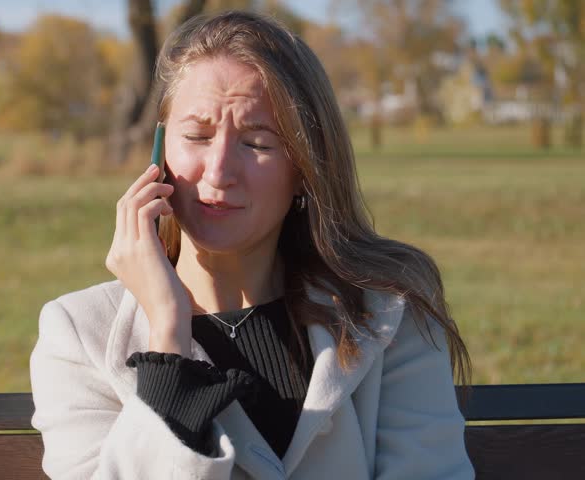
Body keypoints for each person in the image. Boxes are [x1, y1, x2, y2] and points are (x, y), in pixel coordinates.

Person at [30, 10, 473, 480]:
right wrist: (167, 339)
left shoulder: (388, 313)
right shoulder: (80, 335)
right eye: (197, 136)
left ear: (305, 167)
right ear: (159, 154)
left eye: (257, 143)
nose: (219, 172)